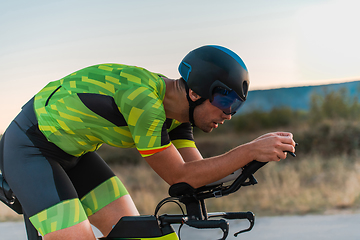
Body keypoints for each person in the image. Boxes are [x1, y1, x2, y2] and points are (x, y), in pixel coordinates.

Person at [0, 45, 295, 239]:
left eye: (236, 105)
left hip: (75, 154)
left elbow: (195, 176)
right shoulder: (144, 102)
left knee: (137, 235)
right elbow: (178, 176)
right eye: (225, 100)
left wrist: (254, 160)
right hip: (30, 148)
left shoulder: (179, 116)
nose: (228, 114)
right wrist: (250, 149)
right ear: (195, 93)